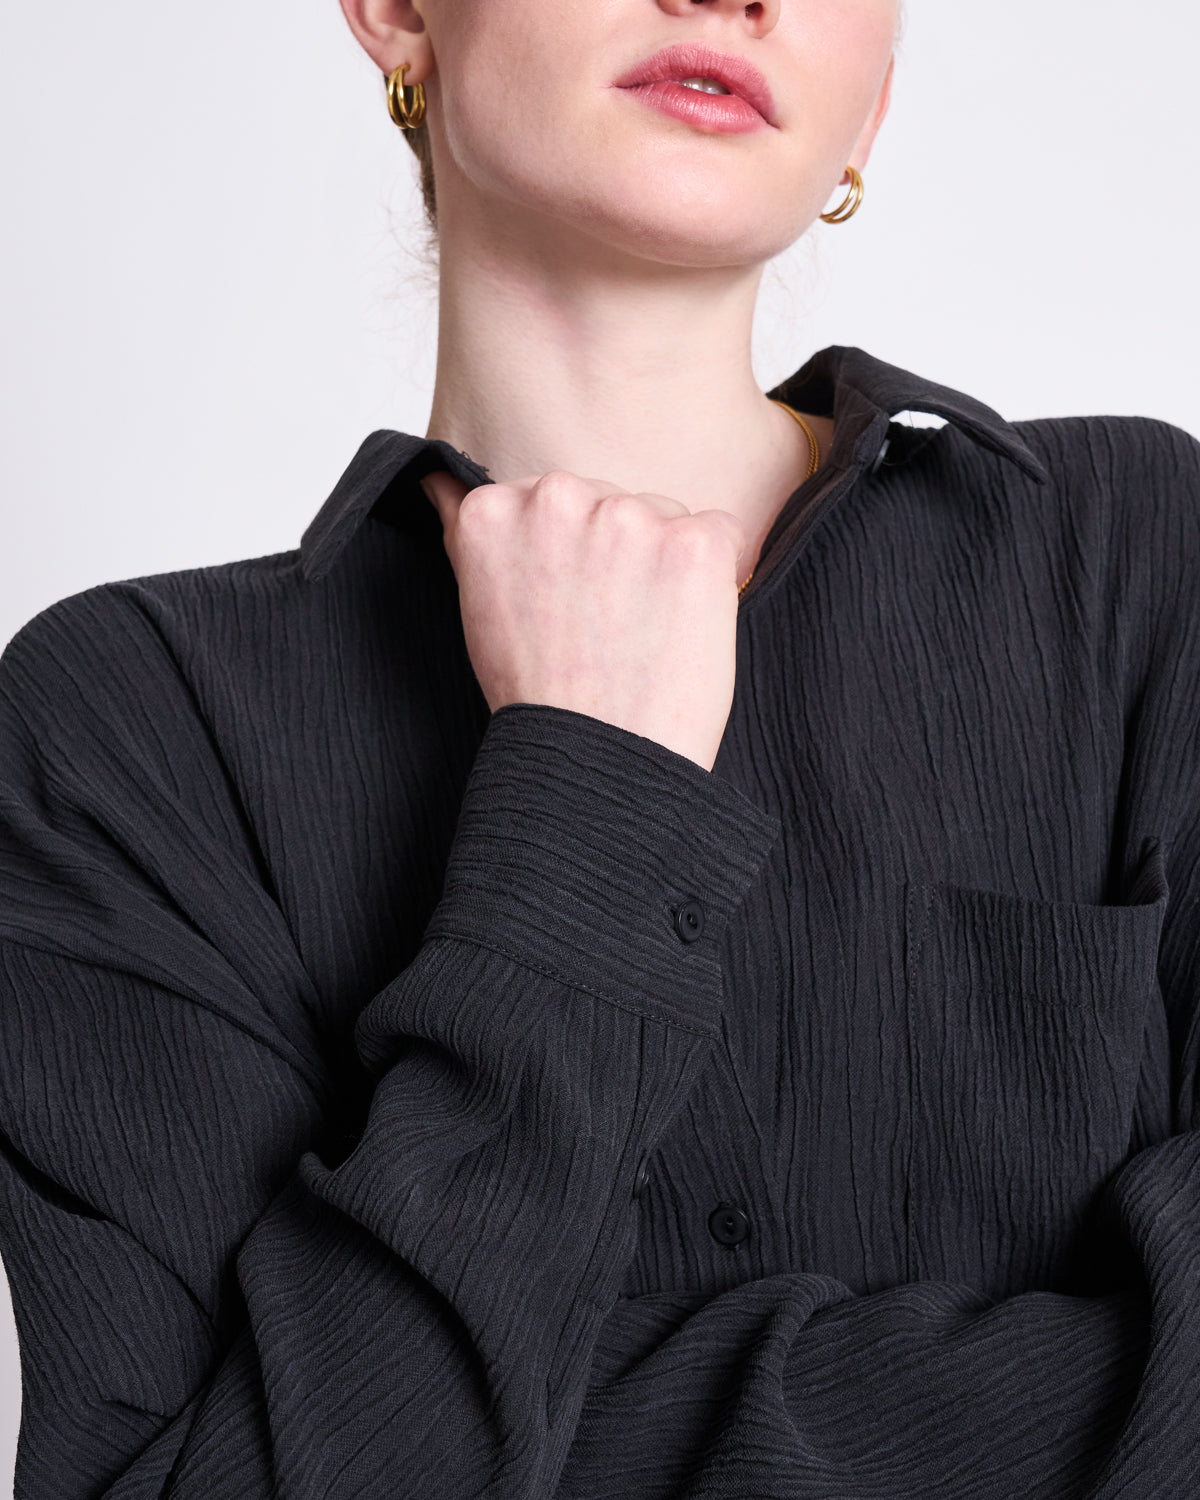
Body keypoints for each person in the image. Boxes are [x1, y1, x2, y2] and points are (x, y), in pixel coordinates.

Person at [1, 0, 1198, 1495]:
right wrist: (586, 798)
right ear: (395, 13)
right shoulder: (130, 730)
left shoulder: (1143, 564)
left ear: (873, 97)